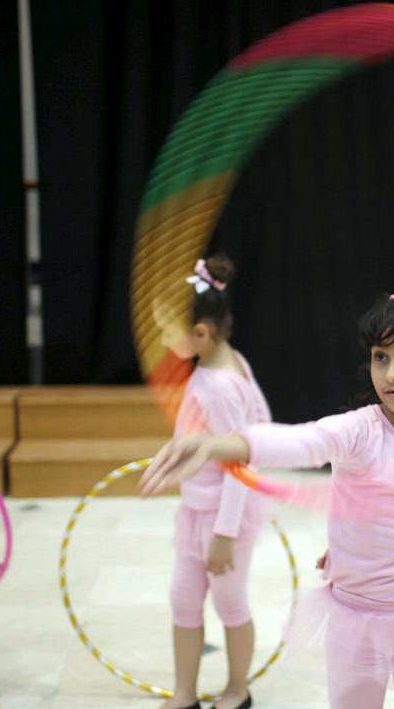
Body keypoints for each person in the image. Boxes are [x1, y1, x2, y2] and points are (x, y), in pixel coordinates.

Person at [141, 291, 394, 709]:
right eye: (381, 357)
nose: (392, 374)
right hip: (356, 621)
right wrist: (218, 444)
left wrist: (369, 544)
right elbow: (299, 440)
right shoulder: (360, 433)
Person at [154, 256, 270, 709]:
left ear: (200, 333)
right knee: (183, 598)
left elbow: (240, 463)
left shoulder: (220, 385)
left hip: (226, 518)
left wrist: (224, 535)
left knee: (230, 603)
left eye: (167, 332)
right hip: (198, 509)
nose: (163, 341)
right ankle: (185, 693)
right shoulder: (223, 362)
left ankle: (237, 689)